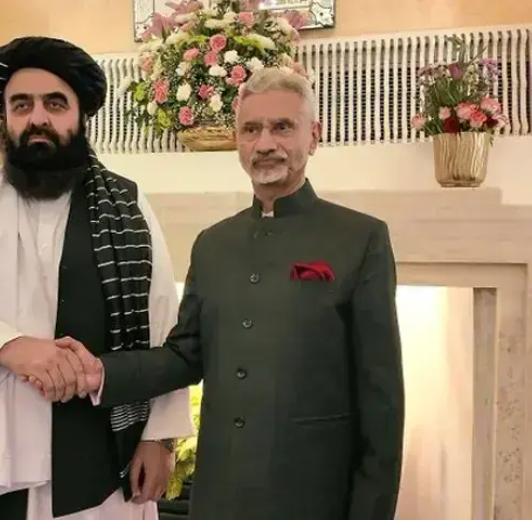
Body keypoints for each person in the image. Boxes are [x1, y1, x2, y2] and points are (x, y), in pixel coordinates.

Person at [47, 67, 406, 519]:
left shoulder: (360, 239)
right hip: (220, 496)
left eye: (282, 127)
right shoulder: (213, 244)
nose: (265, 143)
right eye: (251, 129)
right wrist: (100, 372)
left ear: (314, 136)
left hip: (314, 498)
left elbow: (382, 402)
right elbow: (185, 356)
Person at [0, 36, 193, 520]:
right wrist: (10, 348)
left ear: (80, 116)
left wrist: (159, 437)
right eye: (22, 105)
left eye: (55, 104)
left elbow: (163, 326)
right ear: (5, 118)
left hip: (98, 453)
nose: (37, 118)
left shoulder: (126, 204)